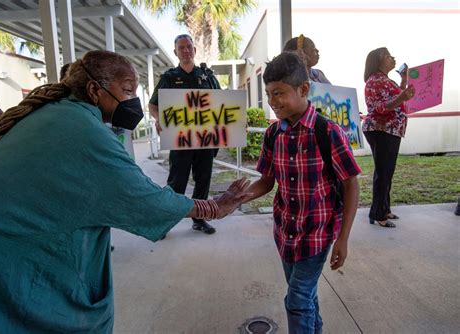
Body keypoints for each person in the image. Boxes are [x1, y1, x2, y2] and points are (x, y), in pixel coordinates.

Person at [0, 50, 251, 333]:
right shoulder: (83, 131)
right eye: (127, 91)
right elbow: (143, 198)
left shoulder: (57, 112)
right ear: (94, 90)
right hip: (6, 259)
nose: (133, 102)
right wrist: (214, 207)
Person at [242, 52, 361, 334]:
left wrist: (343, 238)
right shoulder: (273, 135)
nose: (272, 102)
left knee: (296, 300)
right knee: (306, 296)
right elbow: (266, 182)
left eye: (279, 93)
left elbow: (351, 185)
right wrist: (238, 197)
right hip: (285, 234)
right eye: (269, 94)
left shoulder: (328, 132)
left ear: (303, 89)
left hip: (317, 235)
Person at [148, 34, 221, 235]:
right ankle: (166, 221)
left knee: (203, 180)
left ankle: (199, 218)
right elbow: (153, 105)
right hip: (180, 140)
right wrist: (158, 118)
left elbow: (223, 103)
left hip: (205, 140)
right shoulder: (169, 77)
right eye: (181, 48)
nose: (186, 51)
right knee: (176, 182)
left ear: (194, 49)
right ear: (175, 52)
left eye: (189, 47)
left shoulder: (208, 76)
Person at [362, 47, 415, 228]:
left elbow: (397, 97)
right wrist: (402, 97)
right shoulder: (375, 81)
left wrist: (403, 81)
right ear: (378, 61)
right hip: (381, 129)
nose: (392, 58)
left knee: (387, 172)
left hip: (390, 129)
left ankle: (384, 208)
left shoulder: (384, 80)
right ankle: (377, 213)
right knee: (383, 172)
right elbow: (380, 107)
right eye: (388, 56)